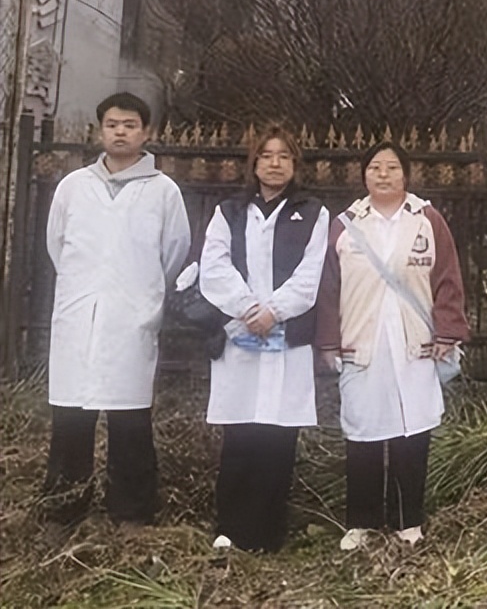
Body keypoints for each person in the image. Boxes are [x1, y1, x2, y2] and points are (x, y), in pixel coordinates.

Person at [42, 93, 190, 526]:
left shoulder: (163, 192)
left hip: (131, 319)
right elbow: (57, 245)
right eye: (112, 124)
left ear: (146, 132)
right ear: (100, 131)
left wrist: (138, 295)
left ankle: (132, 513)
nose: (120, 132)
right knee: (71, 417)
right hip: (78, 316)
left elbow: (173, 252)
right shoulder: (73, 187)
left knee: (130, 421)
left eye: (129, 125)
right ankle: (64, 509)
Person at [316, 141, 469, 551]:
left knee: (411, 431)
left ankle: (408, 521)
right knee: (363, 432)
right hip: (361, 344)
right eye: (375, 168)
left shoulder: (427, 220)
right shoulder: (346, 225)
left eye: (392, 167)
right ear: (364, 175)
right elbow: (327, 288)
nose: (383, 174)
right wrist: (328, 341)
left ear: (406, 174)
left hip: (414, 345)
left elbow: (448, 278)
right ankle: (361, 522)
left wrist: (447, 331)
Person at [199, 125, 329, 551]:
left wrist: (275, 311)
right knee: (240, 433)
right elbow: (214, 266)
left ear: (295, 164)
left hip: (286, 336)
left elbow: (311, 273)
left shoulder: (313, 213)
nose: (275, 163)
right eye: (267, 155)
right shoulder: (230, 211)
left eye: (284, 156)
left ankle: (269, 534)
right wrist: (248, 308)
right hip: (240, 334)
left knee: (278, 436)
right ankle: (229, 529)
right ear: (254, 163)